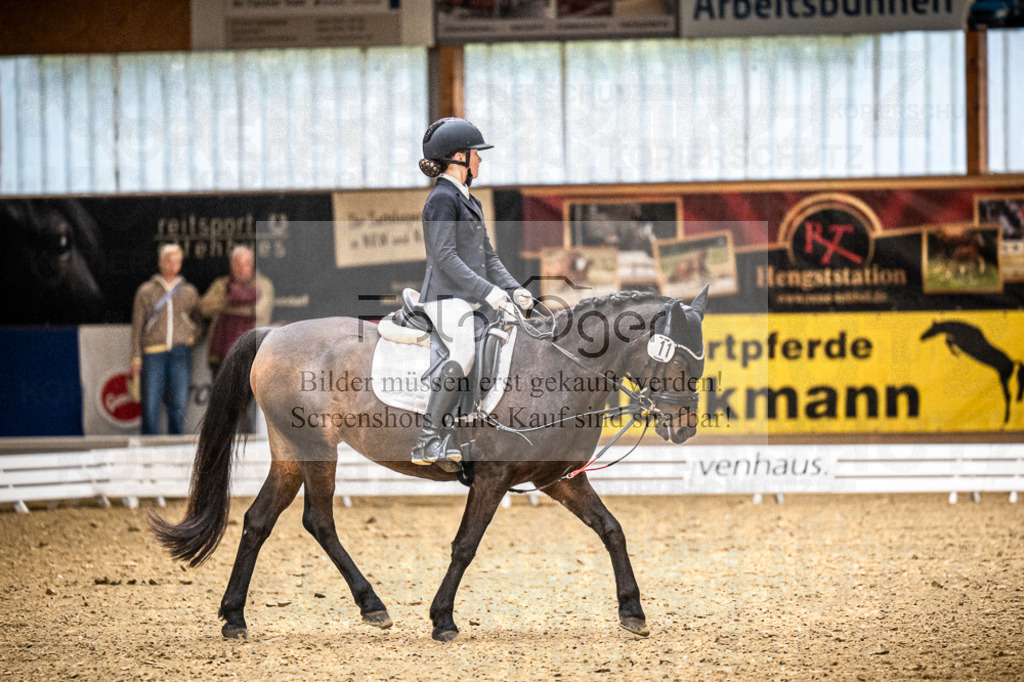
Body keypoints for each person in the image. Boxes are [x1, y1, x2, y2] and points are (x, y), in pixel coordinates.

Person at [412, 117, 533, 466]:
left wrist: (514, 290)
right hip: (445, 298)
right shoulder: (441, 200)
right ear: (459, 158)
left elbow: (489, 258)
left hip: (469, 298)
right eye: (475, 154)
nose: (480, 160)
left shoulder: (470, 201)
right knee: (463, 351)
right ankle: (428, 438)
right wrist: (488, 292)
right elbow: (444, 256)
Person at [130, 244, 200, 435]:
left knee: (178, 402)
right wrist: (136, 357)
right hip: (153, 352)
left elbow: (199, 319)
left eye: (177, 261)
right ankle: (148, 446)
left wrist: (193, 336)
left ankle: (175, 445)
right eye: (169, 260)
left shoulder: (189, 291)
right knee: (150, 402)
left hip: (180, 351)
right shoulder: (146, 291)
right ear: (160, 262)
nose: (173, 265)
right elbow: (137, 328)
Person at [200, 245, 274, 378]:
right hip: (220, 355)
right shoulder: (220, 284)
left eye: (245, 264)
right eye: (237, 264)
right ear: (231, 265)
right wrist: (237, 302)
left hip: (252, 354)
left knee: (250, 397)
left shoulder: (264, 284)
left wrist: (228, 303)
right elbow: (205, 308)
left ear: (252, 265)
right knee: (223, 398)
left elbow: (259, 311)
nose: (241, 269)